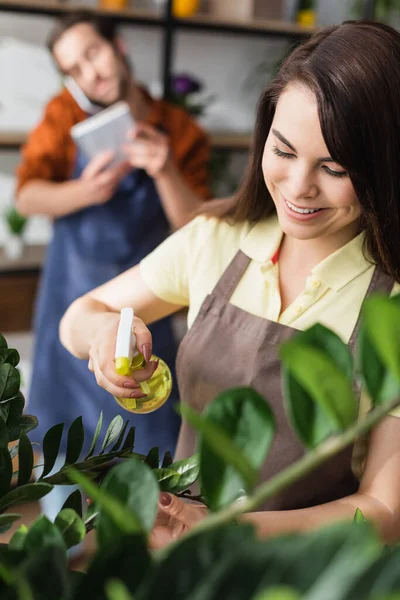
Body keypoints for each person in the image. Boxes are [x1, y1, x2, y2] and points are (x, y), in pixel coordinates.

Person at [60, 20, 400, 547]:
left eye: (333, 168)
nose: (298, 188)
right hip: (184, 563)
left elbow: (384, 511)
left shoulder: (391, 305)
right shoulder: (217, 240)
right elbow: (78, 316)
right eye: (283, 151)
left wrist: (227, 530)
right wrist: (106, 333)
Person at [15, 11, 212, 458]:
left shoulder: (181, 132)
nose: (91, 74)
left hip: (143, 305)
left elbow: (196, 229)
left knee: (147, 430)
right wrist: (85, 192)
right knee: (62, 441)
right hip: (70, 298)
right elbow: (28, 197)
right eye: (74, 70)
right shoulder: (62, 116)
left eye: (94, 54)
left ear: (118, 46)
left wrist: (164, 171)